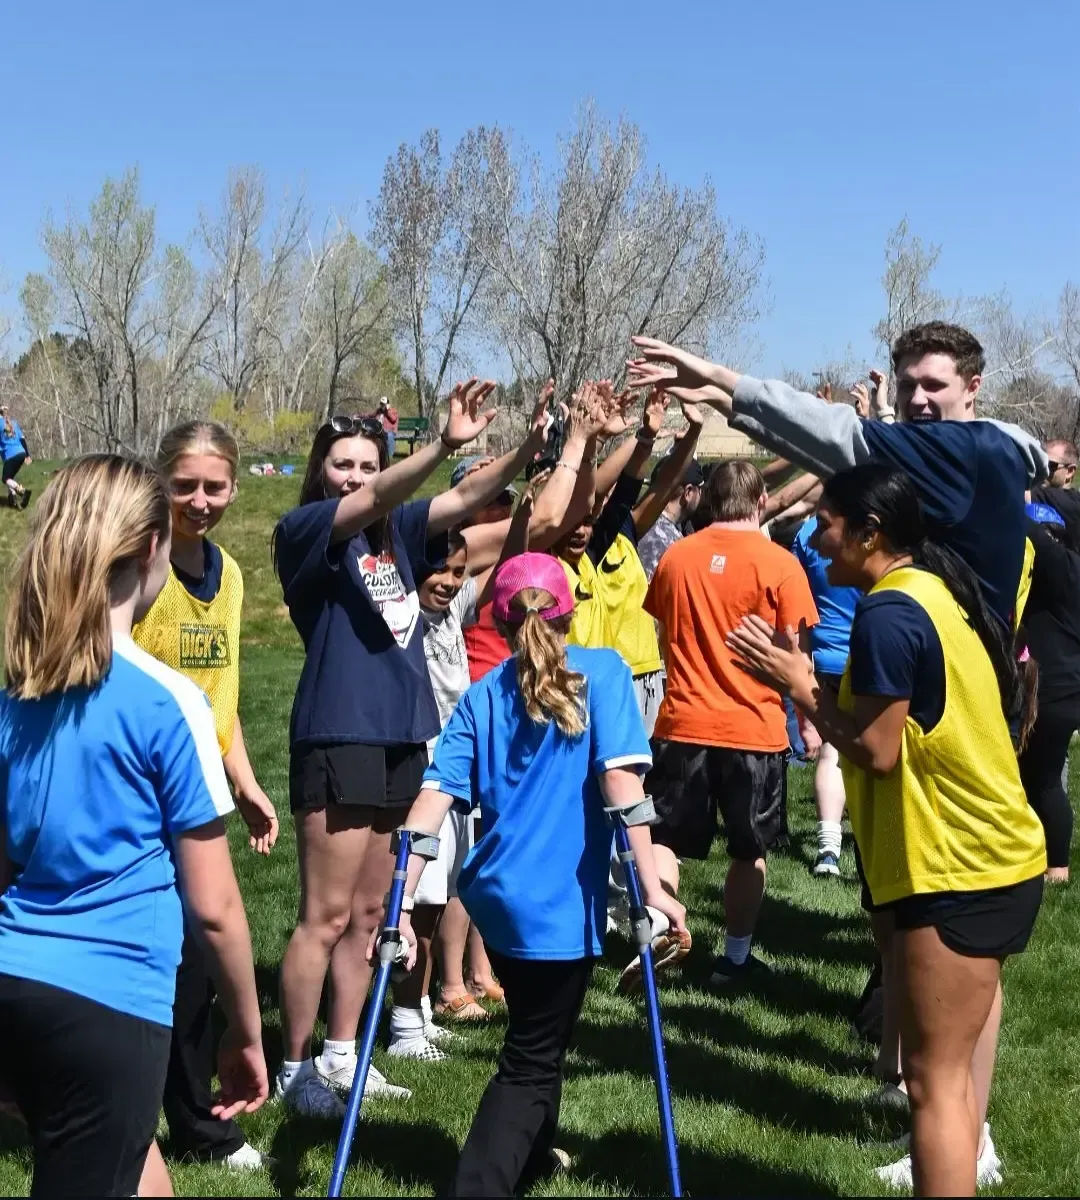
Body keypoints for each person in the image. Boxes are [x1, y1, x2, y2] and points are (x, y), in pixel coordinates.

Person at [729, 463, 1046, 1196]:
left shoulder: (889, 612)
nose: (813, 533)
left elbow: (876, 751)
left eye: (828, 521)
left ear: (871, 532)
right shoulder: (931, 589)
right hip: (993, 858)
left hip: (959, 866)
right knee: (952, 1080)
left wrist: (800, 686)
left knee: (933, 1088)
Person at [271, 379, 550, 1118]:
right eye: (344, 465)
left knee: (373, 916)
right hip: (338, 732)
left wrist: (526, 448)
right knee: (324, 916)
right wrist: (443, 446)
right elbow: (376, 501)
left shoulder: (399, 535)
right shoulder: (307, 529)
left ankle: (342, 1057)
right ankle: (293, 1072)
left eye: (368, 465)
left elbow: (464, 503)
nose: (357, 478)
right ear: (321, 473)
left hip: (402, 736)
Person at [0, 455, 267, 1197]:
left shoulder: (17, 695)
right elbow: (214, 908)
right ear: (152, 549)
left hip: (18, 984)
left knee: (132, 1166)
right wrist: (245, 1034)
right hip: (110, 999)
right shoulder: (167, 700)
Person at [386, 552, 686, 1197]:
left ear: (498, 618)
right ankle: (481, 1184)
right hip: (557, 905)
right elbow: (620, 783)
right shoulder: (603, 672)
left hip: (495, 901)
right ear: (570, 611)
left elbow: (430, 804)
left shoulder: (480, 694)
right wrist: (657, 887)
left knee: (540, 1031)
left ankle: (529, 1156)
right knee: (529, 1058)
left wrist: (401, 905)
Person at [628, 321, 1047, 631]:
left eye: (935, 386)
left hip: (955, 694)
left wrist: (716, 376)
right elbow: (831, 453)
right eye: (907, 386)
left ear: (973, 387)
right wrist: (725, 403)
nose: (917, 400)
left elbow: (838, 432)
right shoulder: (971, 451)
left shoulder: (965, 450)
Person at [131, 421, 278, 1174]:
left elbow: (222, 699)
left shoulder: (232, 574)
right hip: (138, 791)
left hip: (199, 794)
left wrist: (244, 782)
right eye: (184, 484)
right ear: (161, 483)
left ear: (233, 487)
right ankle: (157, 1117)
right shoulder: (136, 570)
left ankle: (194, 1121)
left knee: (196, 965)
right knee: (163, 956)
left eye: (213, 486)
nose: (199, 499)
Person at [641, 460, 818, 988]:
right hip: (753, 728)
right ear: (761, 501)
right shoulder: (780, 563)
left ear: (708, 500)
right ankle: (734, 960)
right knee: (748, 849)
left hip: (681, 720)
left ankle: (661, 931)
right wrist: (809, 721)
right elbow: (797, 654)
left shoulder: (676, 557)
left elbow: (660, 628)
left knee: (665, 839)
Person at [791, 514, 860, 877]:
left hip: (825, 655)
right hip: (871, 651)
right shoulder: (875, 527)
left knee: (832, 751)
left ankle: (829, 848)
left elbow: (796, 604)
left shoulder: (807, 532)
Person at [1017, 501, 1080, 884]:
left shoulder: (1062, 569)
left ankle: (1054, 865)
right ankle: (1049, 862)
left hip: (1049, 691)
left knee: (1039, 778)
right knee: (1041, 776)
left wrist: (1012, 497)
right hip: (1064, 688)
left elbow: (1035, 535)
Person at [636, 457, 705, 582]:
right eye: (700, 489)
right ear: (688, 492)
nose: (701, 495)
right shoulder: (678, 546)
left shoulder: (632, 524)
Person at [0, 406, 31, 509]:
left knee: (5, 478)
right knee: (10, 476)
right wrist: (27, 455)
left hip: (11, 454)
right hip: (21, 452)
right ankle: (12, 500)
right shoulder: (13, 422)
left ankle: (23, 492)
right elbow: (22, 439)